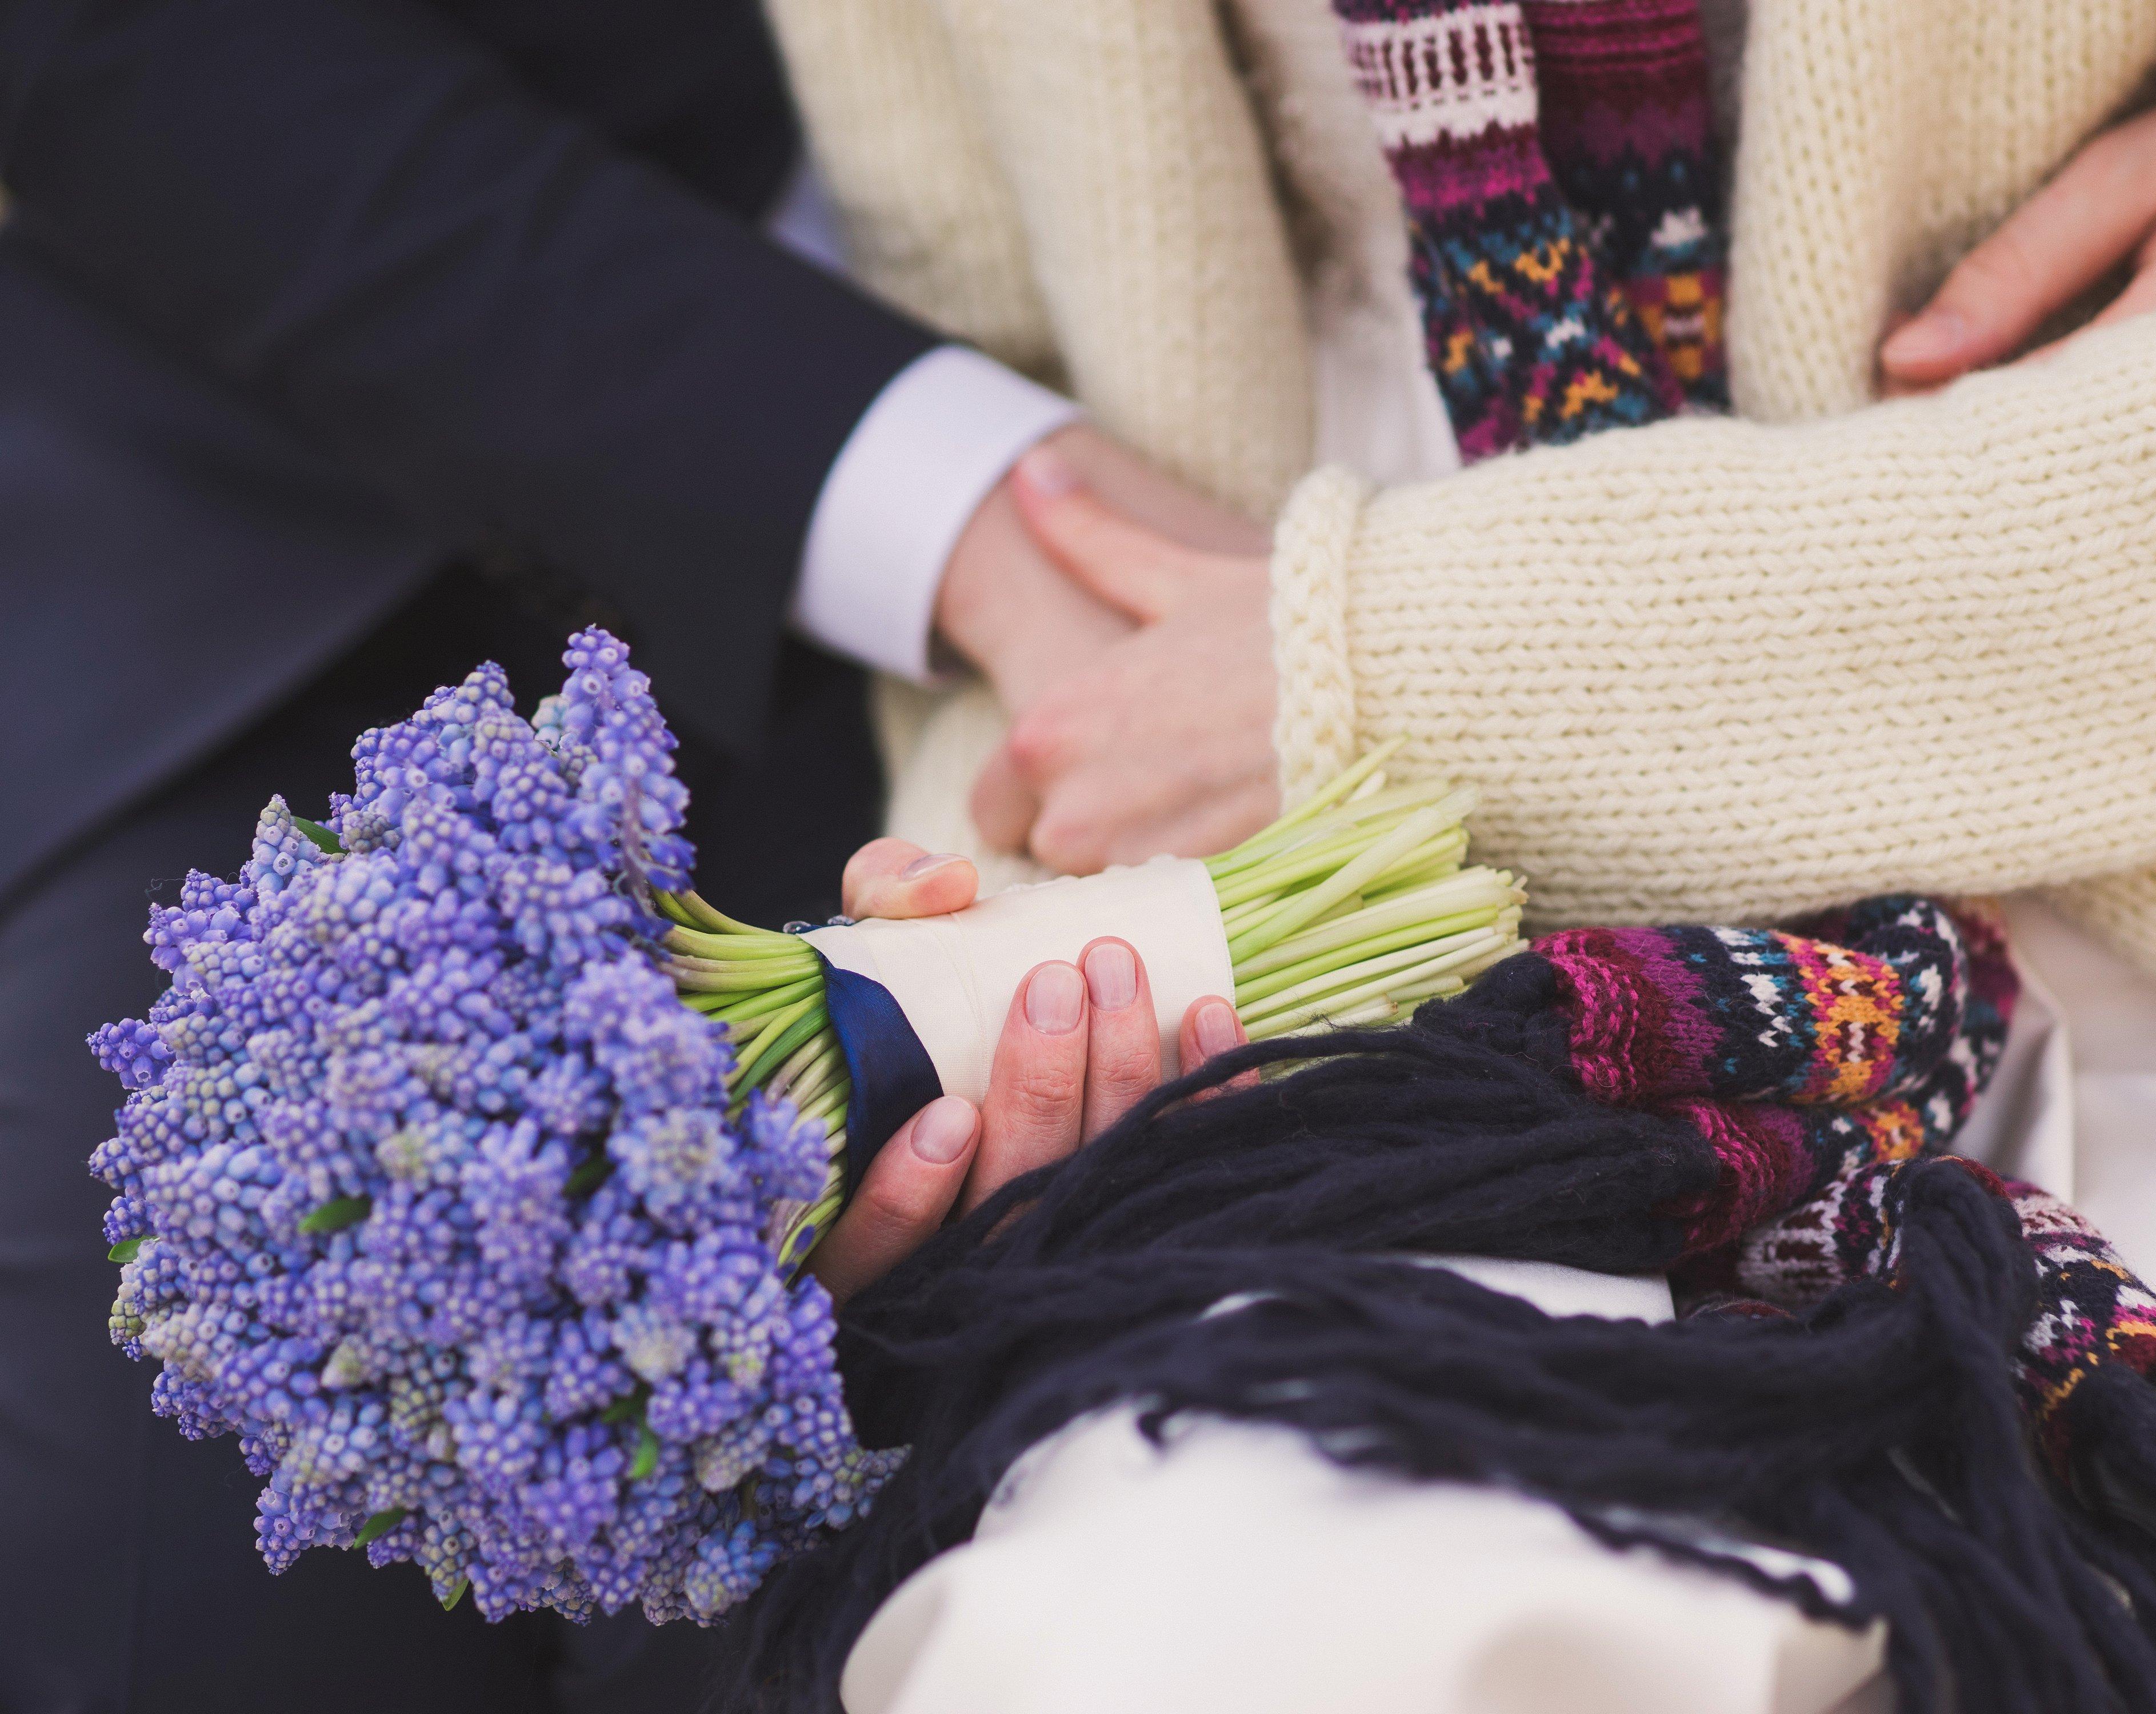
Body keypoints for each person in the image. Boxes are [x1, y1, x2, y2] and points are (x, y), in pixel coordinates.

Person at [755, 0, 2156, 1707]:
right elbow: (1007, 356)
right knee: (1187, 1621)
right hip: (1299, 841)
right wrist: (1001, 975)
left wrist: (1415, 664)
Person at [0, 2, 1251, 1708]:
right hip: (289, 487)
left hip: (1123, 503)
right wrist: (943, 503)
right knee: (192, 1583)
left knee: (917, 1510)